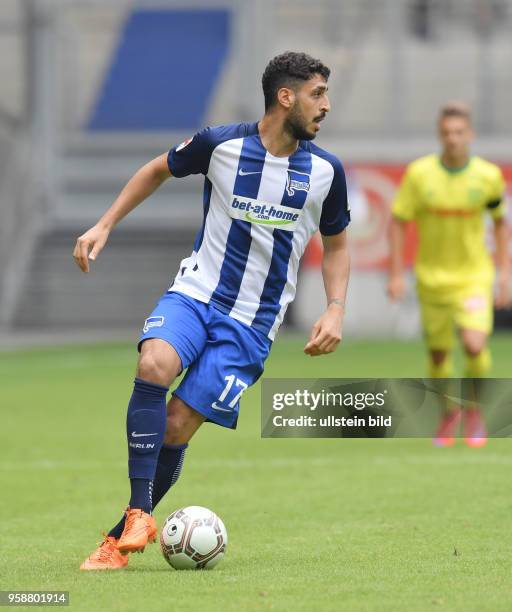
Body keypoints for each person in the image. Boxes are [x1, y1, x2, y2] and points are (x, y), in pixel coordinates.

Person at [74, 51, 351, 570]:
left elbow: (336, 245)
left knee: (176, 428)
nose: (326, 106)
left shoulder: (325, 173)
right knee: (153, 363)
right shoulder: (220, 144)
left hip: (251, 325)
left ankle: (121, 532)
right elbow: (157, 169)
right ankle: (135, 519)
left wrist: (335, 308)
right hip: (196, 294)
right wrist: (104, 223)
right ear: (284, 97)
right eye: (318, 94)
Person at [388, 101, 509, 447]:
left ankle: (474, 412)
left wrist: (504, 274)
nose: (453, 139)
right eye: (446, 133)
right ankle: (449, 413)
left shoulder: (487, 176)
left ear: (469, 135)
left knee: (474, 343)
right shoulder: (420, 175)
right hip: (431, 279)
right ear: (439, 135)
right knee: (439, 355)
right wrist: (396, 274)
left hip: (473, 277)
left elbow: (500, 225)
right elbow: (398, 222)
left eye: (459, 132)